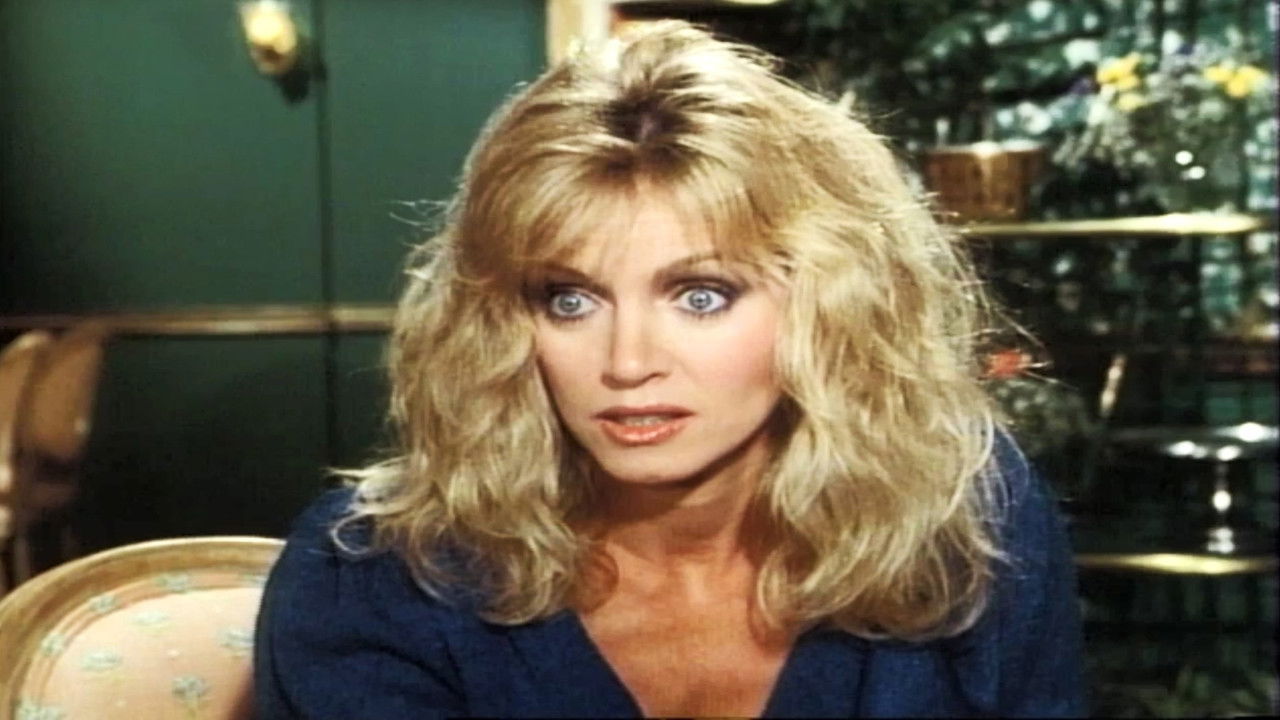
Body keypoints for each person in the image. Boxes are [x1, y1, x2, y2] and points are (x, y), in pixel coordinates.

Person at [253, 20, 1085, 719]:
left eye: (701, 296)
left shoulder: (967, 516)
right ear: (501, 321)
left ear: (826, 305)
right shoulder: (371, 579)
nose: (628, 363)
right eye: (570, 300)